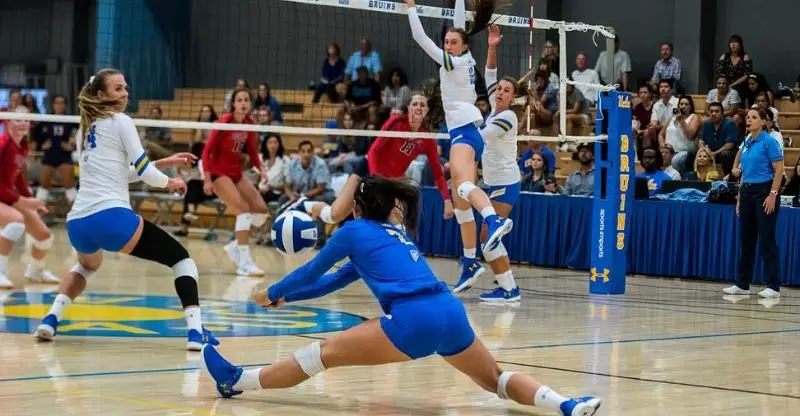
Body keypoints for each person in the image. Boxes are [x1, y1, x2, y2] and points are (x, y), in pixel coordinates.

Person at [199, 176, 603, 416]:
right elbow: (336, 281)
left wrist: (272, 290)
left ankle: (237, 382)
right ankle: (564, 404)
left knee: (319, 355)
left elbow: (311, 270)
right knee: (494, 379)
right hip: (449, 312)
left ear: (357, 208)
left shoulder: (353, 232)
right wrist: (290, 299)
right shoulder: (393, 233)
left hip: (413, 321)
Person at [34, 69, 219, 351]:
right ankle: (195, 333)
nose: (125, 93)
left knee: (86, 265)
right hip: (112, 219)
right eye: (117, 88)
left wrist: (166, 162)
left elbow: (119, 174)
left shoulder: (87, 126)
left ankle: (50, 319)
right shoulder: (121, 121)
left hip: (79, 223)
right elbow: (144, 171)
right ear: (101, 95)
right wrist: (170, 182)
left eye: (125, 88)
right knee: (182, 261)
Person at [406, 0, 513, 279]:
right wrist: (459, 2)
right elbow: (459, 24)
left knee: (463, 187)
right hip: (468, 132)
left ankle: (493, 219)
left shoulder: (453, 62)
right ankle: (469, 262)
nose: (447, 45)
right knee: (460, 203)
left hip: (464, 133)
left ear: (463, 46)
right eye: (446, 42)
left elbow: (420, 38)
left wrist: (410, 9)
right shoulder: (467, 59)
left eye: (453, 42)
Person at [287, 94, 453, 225]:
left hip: (390, 183)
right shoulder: (396, 122)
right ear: (408, 107)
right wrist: (375, 180)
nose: (418, 107)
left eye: (422, 105)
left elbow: (438, 173)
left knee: (396, 225)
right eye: (415, 104)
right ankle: (305, 204)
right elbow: (374, 151)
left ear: (427, 111)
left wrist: (446, 200)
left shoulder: (427, 138)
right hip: (367, 171)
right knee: (334, 215)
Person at [453, 24, 523, 302]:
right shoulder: (494, 109)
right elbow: (491, 73)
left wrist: (461, 137)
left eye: (507, 90)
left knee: (487, 239)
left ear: (513, 97)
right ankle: (509, 288)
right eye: (500, 89)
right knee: (488, 239)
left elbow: (480, 137)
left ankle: (510, 289)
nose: (501, 92)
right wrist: (492, 45)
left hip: (506, 183)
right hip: (493, 182)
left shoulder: (509, 118)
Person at [201, 87, 269, 276]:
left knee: (262, 211)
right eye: (239, 100)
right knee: (244, 209)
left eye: (246, 100)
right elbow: (207, 151)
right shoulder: (224, 122)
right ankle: (245, 264)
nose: (243, 103)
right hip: (217, 173)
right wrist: (207, 179)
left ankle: (235, 245)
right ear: (233, 104)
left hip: (235, 173)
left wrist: (261, 170)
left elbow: (253, 153)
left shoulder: (249, 124)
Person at [724, 108, 783, 298]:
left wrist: (773, 195)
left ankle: (772, 285)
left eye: (754, 117)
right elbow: (744, 172)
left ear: (764, 122)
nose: (749, 120)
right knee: (746, 241)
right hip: (747, 191)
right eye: (747, 117)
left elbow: (780, 170)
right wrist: (740, 199)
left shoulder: (770, 142)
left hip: (764, 191)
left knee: (766, 239)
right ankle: (743, 284)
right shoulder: (747, 142)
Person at [0, 106, 59, 288]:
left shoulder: (21, 146)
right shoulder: (3, 144)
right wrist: (23, 201)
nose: (23, 123)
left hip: (8, 196)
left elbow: (16, 178)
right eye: (18, 120)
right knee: (15, 223)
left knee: (44, 236)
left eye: (26, 120)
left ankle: (35, 271)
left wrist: (29, 200)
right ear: (8, 121)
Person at [35, 95, 78, 204]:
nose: (59, 105)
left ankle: (77, 212)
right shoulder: (46, 119)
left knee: (69, 185)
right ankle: (38, 212)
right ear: (53, 105)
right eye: (57, 103)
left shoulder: (70, 119)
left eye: (62, 103)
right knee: (44, 185)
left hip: (64, 155)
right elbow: (37, 136)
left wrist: (72, 143)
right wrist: (41, 145)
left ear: (65, 105)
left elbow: (79, 132)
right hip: (49, 155)